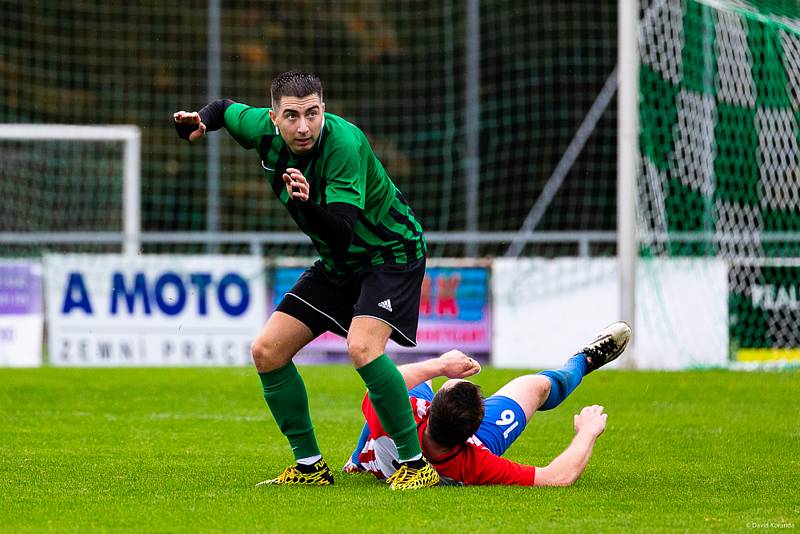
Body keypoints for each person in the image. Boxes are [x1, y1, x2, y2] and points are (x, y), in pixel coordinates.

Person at [173, 71, 438, 490]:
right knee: (267, 351)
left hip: (390, 253)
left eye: (312, 113)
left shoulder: (344, 144)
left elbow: (342, 230)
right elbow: (224, 109)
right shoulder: (261, 127)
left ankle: (415, 464)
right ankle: (310, 467)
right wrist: (202, 121)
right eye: (292, 116)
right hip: (339, 262)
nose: (303, 126)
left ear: (324, 110)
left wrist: (308, 201)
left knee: (362, 347)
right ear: (273, 117)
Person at [343, 321, 631, 486]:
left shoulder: (398, 417)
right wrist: (588, 432)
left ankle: (357, 459)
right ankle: (584, 361)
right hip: (454, 451)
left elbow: (382, 385)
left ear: (428, 408)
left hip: (399, 450)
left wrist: (442, 366)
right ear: (473, 434)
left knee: (397, 384)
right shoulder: (475, 461)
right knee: (539, 386)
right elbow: (557, 477)